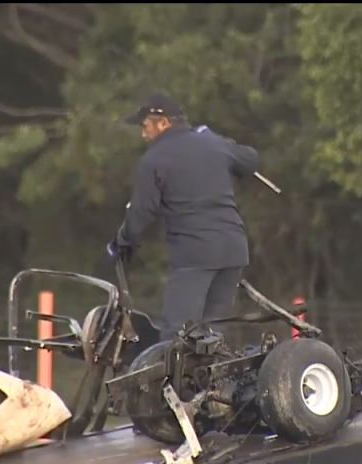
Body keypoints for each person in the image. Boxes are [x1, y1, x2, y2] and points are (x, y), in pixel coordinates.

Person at [107, 93, 260, 342]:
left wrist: (121, 242)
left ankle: (175, 382)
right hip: (233, 250)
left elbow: (141, 214)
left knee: (177, 337)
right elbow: (250, 160)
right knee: (212, 337)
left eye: (145, 126)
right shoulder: (213, 144)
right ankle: (210, 381)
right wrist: (218, 139)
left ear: (163, 123)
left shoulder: (154, 159)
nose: (143, 134)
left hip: (195, 254)